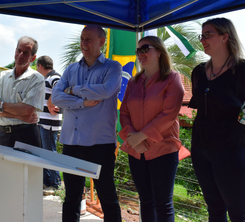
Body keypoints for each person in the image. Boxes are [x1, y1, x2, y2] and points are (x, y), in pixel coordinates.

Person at [52, 24, 122, 222]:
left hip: (99, 142)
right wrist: (83, 102)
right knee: (71, 197)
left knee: (107, 196)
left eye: (89, 39)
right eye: (82, 39)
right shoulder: (71, 68)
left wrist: (73, 90)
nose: (84, 43)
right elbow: (56, 97)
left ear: (102, 42)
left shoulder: (112, 67)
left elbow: (107, 90)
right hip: (71, 142)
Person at [119, 36, 184, 221]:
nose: (140, 54)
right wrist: (133, 138)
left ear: (160, 51)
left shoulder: (172, 78)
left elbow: (170, 114)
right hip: (135, 150)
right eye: (138, 50)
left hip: (163, 149)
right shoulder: (133, 82)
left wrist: (141, 136)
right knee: (145, 201)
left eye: (145, 48)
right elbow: (123, 113)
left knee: (162, 203)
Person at [189, 17, 245, 221]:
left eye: (208, 34)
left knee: (238, 212)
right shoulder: (198, 72)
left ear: (225, 36)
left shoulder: (242, 70)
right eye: (201, 35)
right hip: (200, 149)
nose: (202, 39)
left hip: (230, 150)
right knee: (214, 208)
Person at [0, 36, 44, 148]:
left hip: (26, 136)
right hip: (2, 135)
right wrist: (20, 116)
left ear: (33, 58)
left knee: (26, 166)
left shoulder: (36, 79)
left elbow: (27, 110)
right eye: (19, 50)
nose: (20, 55)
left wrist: (0, 105)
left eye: (26, 53)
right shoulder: (3, 76)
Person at [36, 55, 62, 193]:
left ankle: (55, 183)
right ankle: (46, 181)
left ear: (40, 66)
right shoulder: (46, 79)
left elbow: (60, 88)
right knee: (44, 153)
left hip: (50, 123)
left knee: (50, 153)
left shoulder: (54, 77)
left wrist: (52, 101)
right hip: (43, 122)